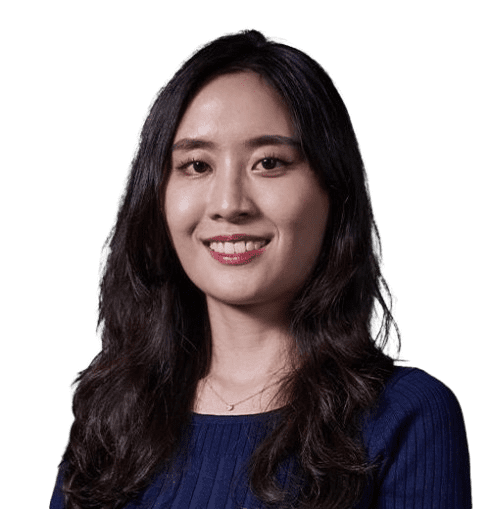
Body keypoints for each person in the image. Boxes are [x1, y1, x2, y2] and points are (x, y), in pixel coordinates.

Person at [49, 29, 472, 509]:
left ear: (333, 191)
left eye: (269, 162)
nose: (229, 204)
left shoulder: (406, 415)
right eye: (196, 165)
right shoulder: (110, 412)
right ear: (157, 197)